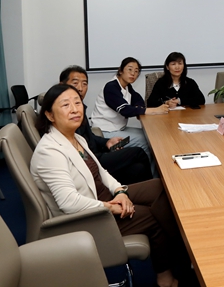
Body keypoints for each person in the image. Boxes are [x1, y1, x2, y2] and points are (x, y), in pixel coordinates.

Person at [30, 84, 190, 287]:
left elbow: (101, 172)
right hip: (88, 218)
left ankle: (184, 251)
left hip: (103, 196)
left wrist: (120, 192)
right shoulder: (50, 151)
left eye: (77, 103)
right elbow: (68, 203)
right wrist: (110, 207)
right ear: (49, 115)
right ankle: (168, 274)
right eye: (65, 105)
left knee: (160, 187)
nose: (75, 109)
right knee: (153, 215)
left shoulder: (75, 137)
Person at [61, 65, 152, 184]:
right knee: (138, 152)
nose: (80, 88)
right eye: (75, 83)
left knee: (139, 168)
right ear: (62, 85)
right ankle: (157, 188)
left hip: (97, 153)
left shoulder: (80, 107)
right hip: (92, 161)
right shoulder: (65, 112)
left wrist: (107, 142)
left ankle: (145, 191)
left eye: (84, 84)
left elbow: (89, 136)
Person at [89, 57, 168, 158]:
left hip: (118, 128)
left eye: (136, 71)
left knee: (150, 134)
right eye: (130, 69)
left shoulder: (126, 86)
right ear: (120, 71)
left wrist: (139, 108)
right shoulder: (111, 87)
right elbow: (125, 110)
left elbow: (138, 99)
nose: (133, 74)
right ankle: (151, 169)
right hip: (105, 131)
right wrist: (154, 110)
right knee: (147, 141)